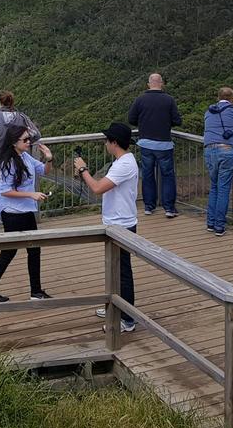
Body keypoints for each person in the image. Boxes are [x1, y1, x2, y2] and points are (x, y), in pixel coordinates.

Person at [73, 122, 139, 333]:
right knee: (114, 270)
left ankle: (127, 319)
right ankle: (114, 307)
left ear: (114, 142)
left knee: (123, 273)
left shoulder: (124, 165)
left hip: (122, 225)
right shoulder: (122, 162)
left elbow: (97, 188)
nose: (105, 143)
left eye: (107, 140)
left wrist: (83, 169)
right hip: (117, 222)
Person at [0, 124, 54, 303]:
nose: (29, 142)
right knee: (9, 251)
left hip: (26, 210)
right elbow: (5, 191)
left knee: (34, 249)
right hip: (12, 212)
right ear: (14, 142)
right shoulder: (8, 162)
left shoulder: (25, 157)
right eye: (25, 140)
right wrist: (31, 194)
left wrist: (49, 158)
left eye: (29, 139)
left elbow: (43, 170)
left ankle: (35, 291)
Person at [0, 92, 40, 233]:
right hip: (16, 159)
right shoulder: (21, 117)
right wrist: (24, 146)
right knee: (19, 189)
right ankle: (23, 222)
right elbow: (36, 134)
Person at [127, 73, 183, 218]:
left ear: (148, 84)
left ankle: (149, 206)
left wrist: (144, 122)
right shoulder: (169, 100)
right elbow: (177, 120)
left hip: (146, 143)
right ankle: (169, 208)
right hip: (164, 145)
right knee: (168, 176)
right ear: (162, 83)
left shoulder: (140, 99)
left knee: (147, 175)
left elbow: (131, 119)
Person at [203, 86, 233, 237]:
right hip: (227, 150)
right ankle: (219, 226)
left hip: (209, 150)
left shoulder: (209, 111)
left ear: (218, 97)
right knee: (223, 189)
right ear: (232, 98)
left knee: (214, 186)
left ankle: (210, 223)